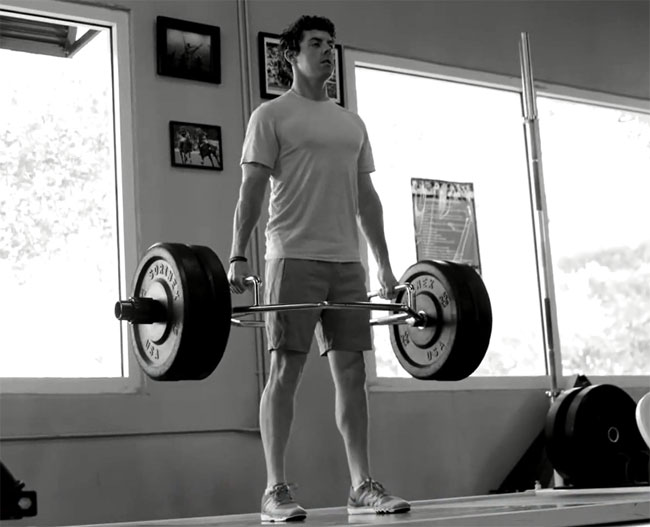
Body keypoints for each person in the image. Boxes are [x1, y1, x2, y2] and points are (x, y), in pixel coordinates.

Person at [228, 15, 411, 523]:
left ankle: (361, 486)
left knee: (352, 373)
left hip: (346, 261)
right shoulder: (271, 116)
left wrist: (385, 267)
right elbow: (251, 191)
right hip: (292, 255)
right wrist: (237, 253)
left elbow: (367, 199)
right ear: (291, 54)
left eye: (331, 43)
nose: (328, 51)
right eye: (316, 43)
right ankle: (274, 489)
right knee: (285, 370)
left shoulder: (351, 123)